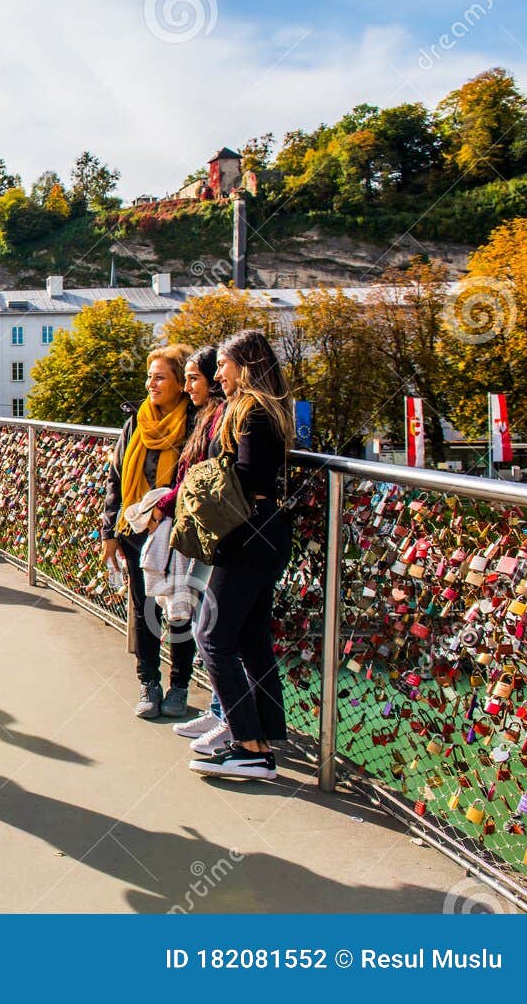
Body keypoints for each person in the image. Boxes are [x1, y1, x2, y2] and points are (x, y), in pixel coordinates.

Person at [189, 330, 294, 781]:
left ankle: (248, 746)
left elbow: (251, 475)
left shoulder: (252, 411)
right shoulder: (263, 409)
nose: (218, 374)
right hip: (264, 533)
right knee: (250, 639)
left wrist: (203, 478)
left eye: (224, 366)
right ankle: (263, 739)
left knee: (211, 634)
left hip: (249, 535)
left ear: (244, 366)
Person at [101, 345, 194, 720]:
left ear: (179, 384)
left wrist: (164, 511)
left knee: (179, 610)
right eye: (149, 376)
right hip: (137, 529)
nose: (151, 384)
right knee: (144, 609)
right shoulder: (136, 422)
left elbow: (196, 480)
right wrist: (110, 531)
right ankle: (148, 682)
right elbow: (116, 478)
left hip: (178, 532)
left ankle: (181, 685)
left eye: (160, 377)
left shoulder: (195, 422)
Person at [162, 347, 231, 755]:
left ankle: (229, 718)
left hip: (219, 535)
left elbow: (202, 479)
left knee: (218, 628)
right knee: (211, 624)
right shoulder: (209, 417)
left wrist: (166, 504)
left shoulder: (221, 420)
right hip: (206, 533)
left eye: (193, 379)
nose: (188, 388)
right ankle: (221, 711)